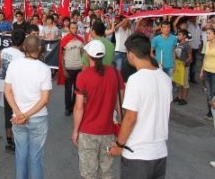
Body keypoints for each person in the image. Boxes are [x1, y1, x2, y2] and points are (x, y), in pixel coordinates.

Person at [108, 33, 172, 179]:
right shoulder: (165, 78)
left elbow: (130, 117)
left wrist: (118, 145)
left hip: (137, 154)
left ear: (131, 54)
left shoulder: (135, 80)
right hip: (160, 152)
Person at [72, 40, 124, 179]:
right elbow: (120, 103)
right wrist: (121, 124)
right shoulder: (114, 73)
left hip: (87, 131)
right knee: (106, 172)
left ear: (88, 55)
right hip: (108, 131)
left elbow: (79, 107)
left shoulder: (82, 77)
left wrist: (75, 131)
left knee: (89, 173)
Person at [4, 36, 52, 179]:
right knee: (35, 157)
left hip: (17, 118)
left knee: (21, 155)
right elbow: (44, 100)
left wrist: (19, 113)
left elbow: (7, 91)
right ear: (39, 49)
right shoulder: (44, 69)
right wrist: (25, 115)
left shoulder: (13, 65)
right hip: (37, 118)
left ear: (24, 47)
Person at [0, 30, 26, 153]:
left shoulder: (4, 51)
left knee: (7, 115)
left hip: (5, 87)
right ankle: (17, 141)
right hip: (16, 90)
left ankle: (9, 142)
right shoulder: (22, 56)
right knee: (17, 114)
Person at [58, 22, 84, 116]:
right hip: (69, 68)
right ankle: (67, 108)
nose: (75, 30)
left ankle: (74, 106)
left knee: (77, 90)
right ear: (69, 29)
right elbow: (61, 56)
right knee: (68, 90)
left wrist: (83, 67)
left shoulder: (81, 39)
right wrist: (64, 70)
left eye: (76, 28)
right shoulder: (65, 40)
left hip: (79, 68)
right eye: (73, 28)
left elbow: (82, 54)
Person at [200, 27, 215, 121]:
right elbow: (204, 58)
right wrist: (202, 70)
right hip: (206, 71)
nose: (207, 35)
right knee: (208, 94)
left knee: (214, 93)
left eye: (209, 33)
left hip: (214, 72)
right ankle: (210, 113)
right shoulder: (207, 44)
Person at [174, 29, 192, 105]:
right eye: (178, 35)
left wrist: (185, 62)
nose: (178, 36)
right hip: (178, 65)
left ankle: (184, 98)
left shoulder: (187, 45)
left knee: (184, 82)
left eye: (180, 35)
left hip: (184, 66)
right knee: (179, 82)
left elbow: (190, 57)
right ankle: (179, 97)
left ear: (184, 36)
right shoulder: (178, 44)